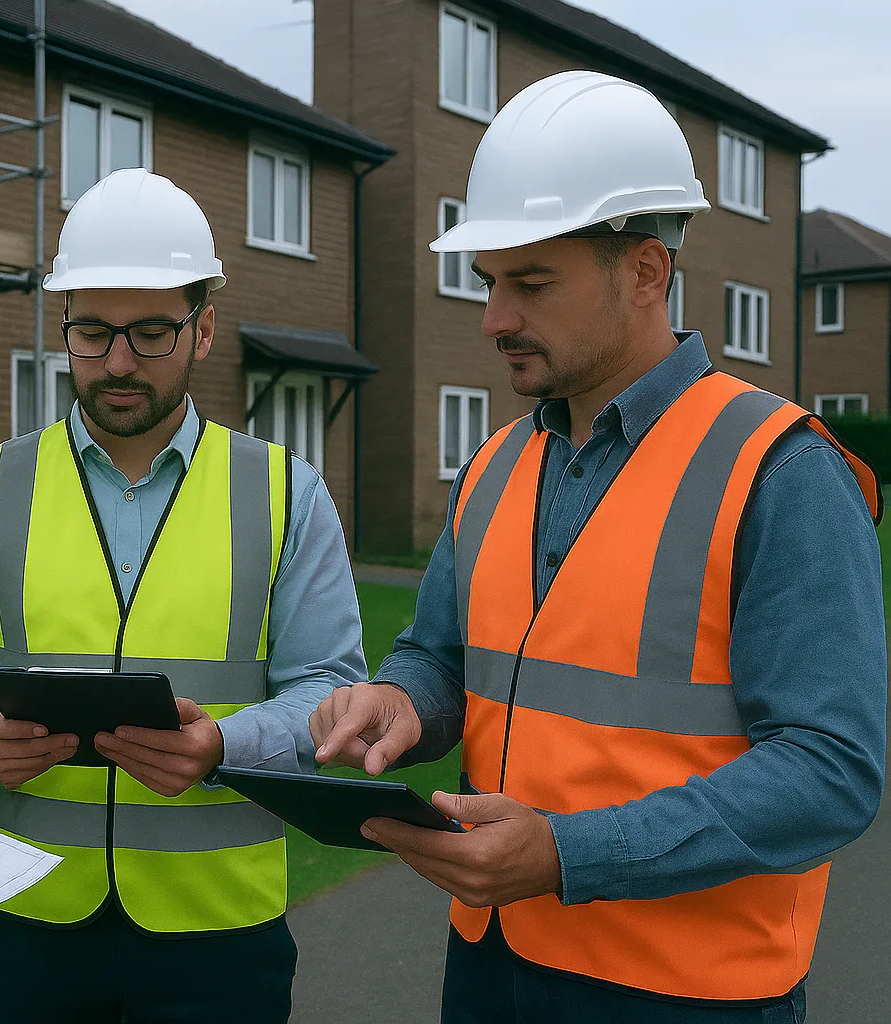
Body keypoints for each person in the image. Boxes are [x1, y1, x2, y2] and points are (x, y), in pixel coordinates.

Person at [312, 71, 885, 1023]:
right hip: (491, 969)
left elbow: (832, 769)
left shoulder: (780, 470)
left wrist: (569, 854)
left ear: (648, 273)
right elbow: (440, 656)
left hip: (689, 993)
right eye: (491, 282)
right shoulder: (496, 464)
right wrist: (399, 701)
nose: (495, 319)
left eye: (532, 284)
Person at [0, 167, 366, 1023]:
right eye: (91, 331)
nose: (117, 361)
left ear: (205, 328)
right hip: (25, 917)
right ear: (64, 326)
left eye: (151, 331)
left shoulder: (285, 494)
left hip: (218, 930)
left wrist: (225, 745)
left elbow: (332, 691)